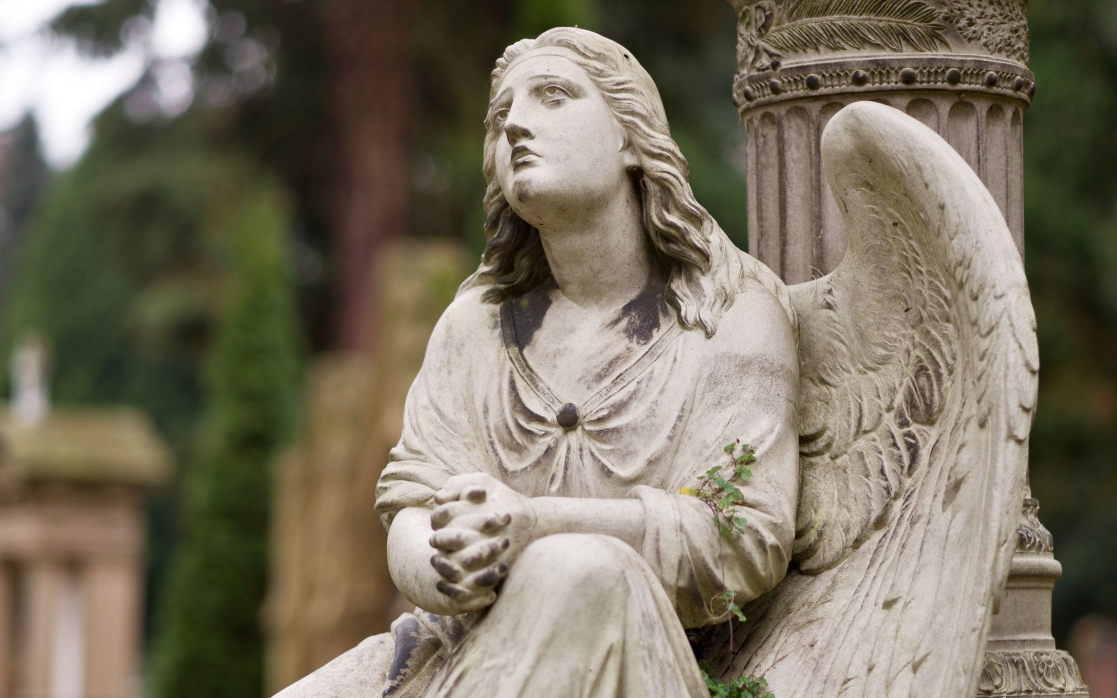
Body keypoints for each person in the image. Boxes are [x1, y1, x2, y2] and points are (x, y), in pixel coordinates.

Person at [281, 27, 800, 698]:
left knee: (578, 572)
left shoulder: (731, 309)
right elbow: (412, 504)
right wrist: (442, 568)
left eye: (553, 96)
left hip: (645, 655)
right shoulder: (477, 325)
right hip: (471, 645)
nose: (517, 125)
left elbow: (743, 539)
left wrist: (534, 525)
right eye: (501, 118)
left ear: (629, 138)